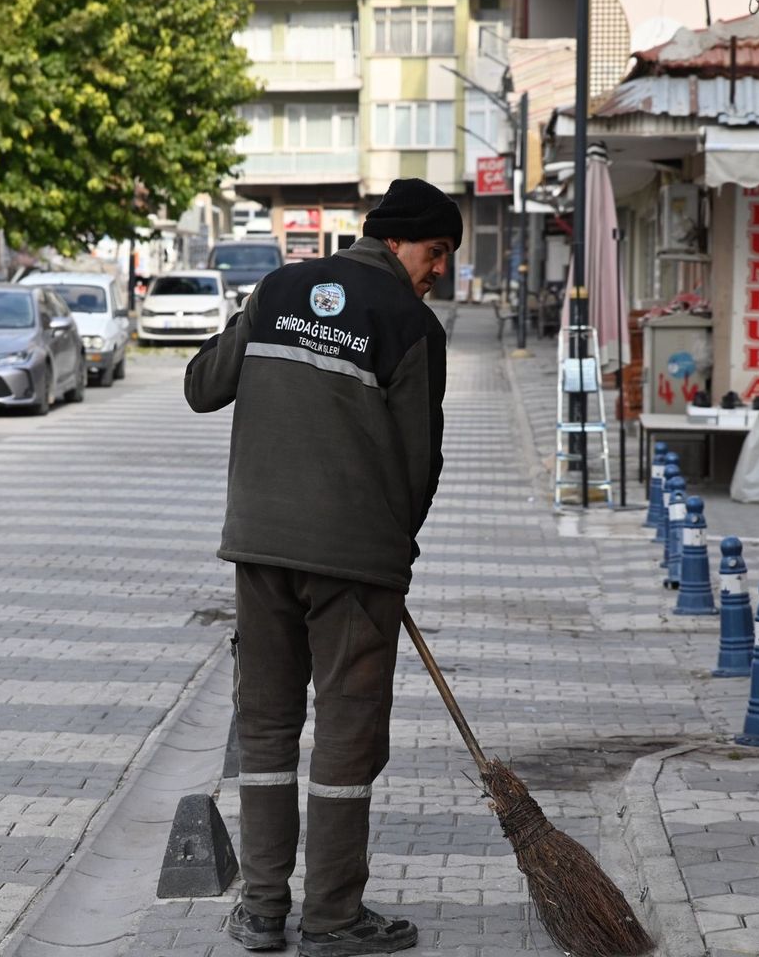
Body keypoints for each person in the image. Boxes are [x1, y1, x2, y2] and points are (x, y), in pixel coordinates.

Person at [184, 178, 459, 956]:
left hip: (259, 546)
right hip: (353, 561)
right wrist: (390, 554)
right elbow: (419, 466)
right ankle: (333, 920)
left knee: (267, 728)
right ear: (401, 240)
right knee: (347, 735)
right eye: (436, 251)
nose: (439, 270)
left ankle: (264, 912)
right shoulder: (412, 325)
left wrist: (259, 318)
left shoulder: (277, 288)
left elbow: (203, 386)